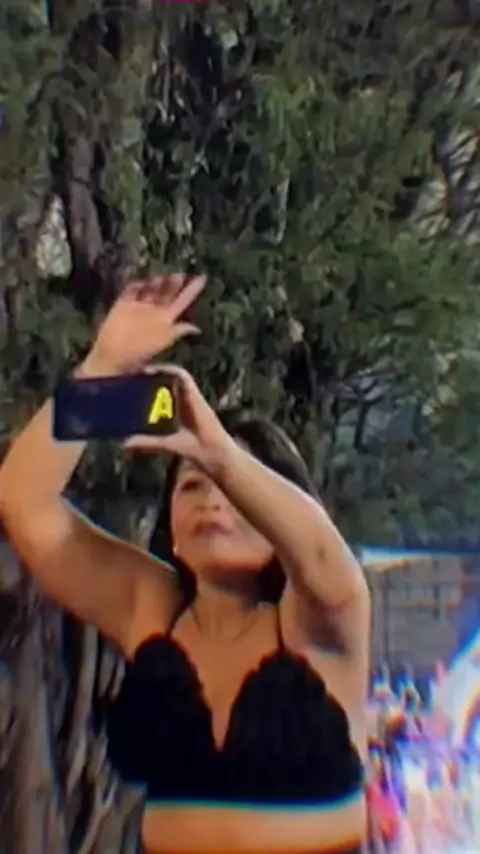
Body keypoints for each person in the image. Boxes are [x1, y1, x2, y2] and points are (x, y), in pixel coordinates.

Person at [0, 274, 370, 854]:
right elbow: (24, 501)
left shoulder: (319, 618)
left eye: (232, 491)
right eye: (191, 486)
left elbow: (322, 552)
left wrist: (220, 454)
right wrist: (102, 370)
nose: (212, 501)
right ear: (171, 528)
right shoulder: (153, 606)